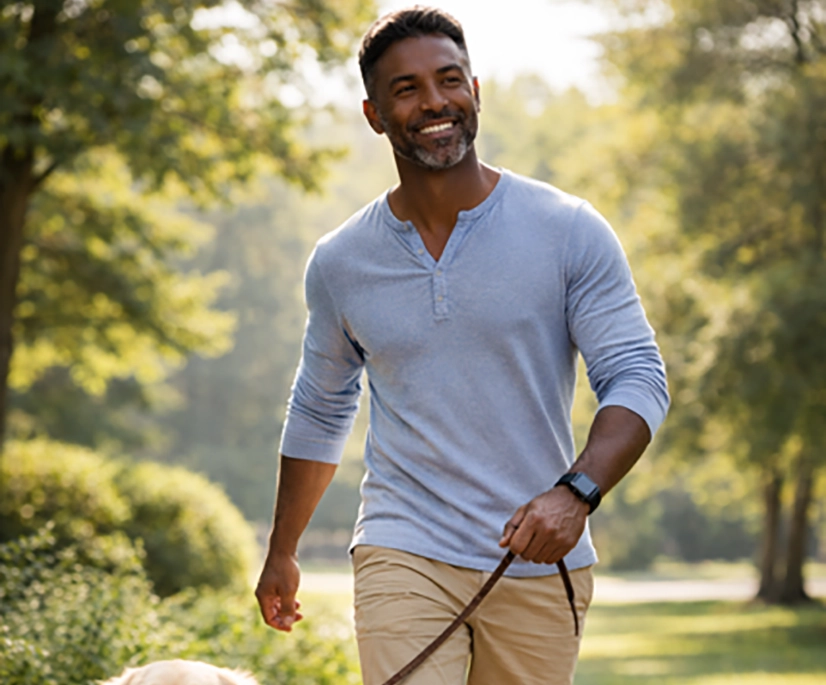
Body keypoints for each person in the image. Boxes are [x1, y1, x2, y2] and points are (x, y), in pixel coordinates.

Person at [255, 6, 669, 685]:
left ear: (476, 92)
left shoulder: (568, 230)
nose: (435, 101)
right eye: (407, 89)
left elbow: (636, 376)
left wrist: (577, 493)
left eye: (449, 80)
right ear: (374, 114)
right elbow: (320, 408)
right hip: (402, 545)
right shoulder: (341, 261)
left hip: (540, 557)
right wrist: (282, 548)